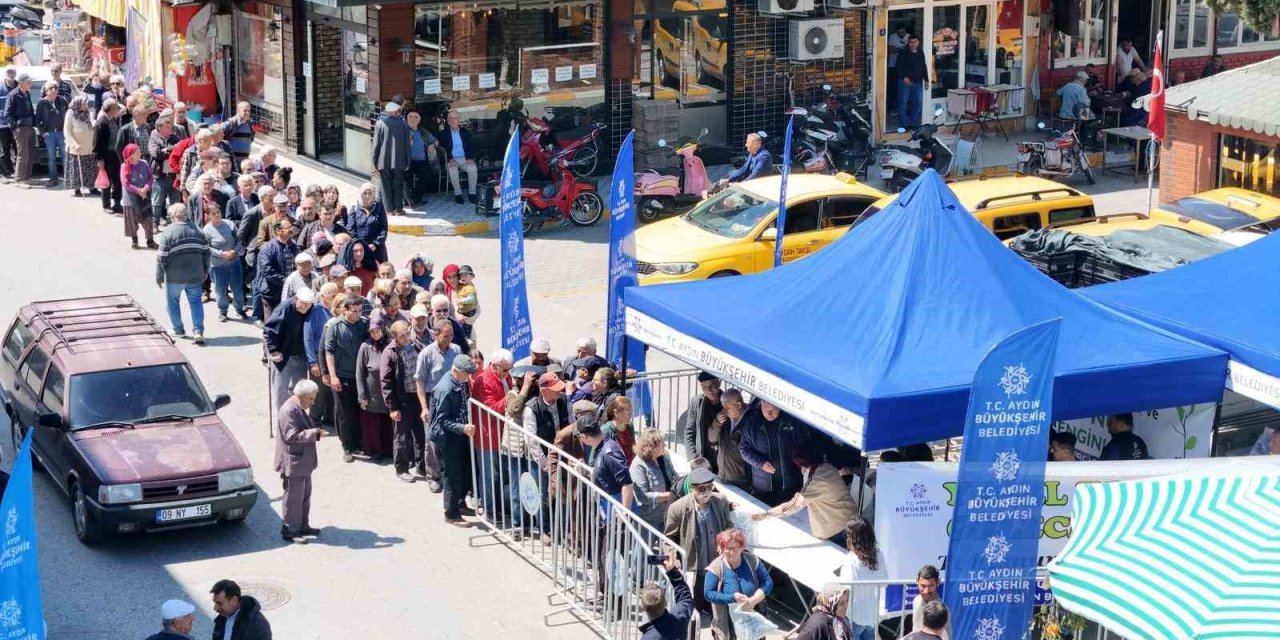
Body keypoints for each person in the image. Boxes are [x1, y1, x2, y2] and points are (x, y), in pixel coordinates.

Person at [753, 442, 856, 545]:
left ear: (801, 465)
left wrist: (768, 513)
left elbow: (795, 504)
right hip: (851, 519)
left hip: (836, 530)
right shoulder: (828, 467)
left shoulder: (816, 481)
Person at [665, 467, 733, 616]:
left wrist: (728, 542)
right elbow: (668, 539)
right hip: (694, 567)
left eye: (710, 487)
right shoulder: (677, 508)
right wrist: (673, 557)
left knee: (716, 607)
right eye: (702, 489)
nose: (707, 492)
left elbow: (728, 526)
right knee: (695, 609)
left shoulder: (721, 501)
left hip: (716, 566)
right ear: (692, 488)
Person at [274, 378, 327, 543]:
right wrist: (315, 433)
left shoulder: (298, 408)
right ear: (301, 395)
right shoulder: (289, 410)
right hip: (294, 463)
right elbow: (291, 437)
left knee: (304, 496)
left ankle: (303, 526)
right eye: (310, 398)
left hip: (302, 463)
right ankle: (290, 530)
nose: (312, 403)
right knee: (293, 499)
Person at [429, 353, 478, 526]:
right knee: (453, 474)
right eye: (466, 373)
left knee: (465, 470)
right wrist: (462, 427)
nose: (469, 376)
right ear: (456, 371)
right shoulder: (446, 388)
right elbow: (442, 420)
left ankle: (460, 503)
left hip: (460, 434)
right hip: (448, 437)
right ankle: (451, 513)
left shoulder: (460, 382)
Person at [415, 316, 464, 490]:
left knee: (452, 437)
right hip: (434, 399)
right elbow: (420, 381)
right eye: (446, 335)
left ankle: (449, 471)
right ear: (436, 334)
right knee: (433, 439)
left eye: (451, 335)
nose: (450, 339)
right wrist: (424, 407)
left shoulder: (456, 350)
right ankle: (433, 475)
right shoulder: (426, 354)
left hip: (453, 398)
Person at [704, 527, 773, 639]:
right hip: (728, 623)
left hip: (753, 620)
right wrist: (732, 598)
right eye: (727, 548)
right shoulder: (715, 568)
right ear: (722, 548)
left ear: (742, 547)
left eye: (735, 548)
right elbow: (708, 593)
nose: (731, 552)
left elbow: (767, 582)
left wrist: (753, 600)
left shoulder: (752, 560)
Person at [155, 203, 210, 342]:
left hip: (174, 277)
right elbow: (206, 252)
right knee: (196, 302)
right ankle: (198, 331)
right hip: (195, 275)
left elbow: (161, 257)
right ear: (186, 215)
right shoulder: (198, 231)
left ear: (172, 216)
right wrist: (205, 270)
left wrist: (159, 276)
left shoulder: (167, 233)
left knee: (173, 303)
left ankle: (178, 330)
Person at [325, 295, 370, 463]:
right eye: (354, 311)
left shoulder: (363, 323)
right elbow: (329, 352)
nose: (358, 314)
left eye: (360, 311)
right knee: (345, 414)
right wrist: (332, 376)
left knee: (360, 411)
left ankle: (358, 443)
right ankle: (347, 447)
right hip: (342, 376)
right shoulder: (335, 326)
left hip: (360, 376)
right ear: (345, 310)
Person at [469, 347, 514, 516]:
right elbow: (491, 409)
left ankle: (501, 507)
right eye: (505, 370)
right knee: (490, 475)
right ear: (495, 366)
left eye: (509, 369)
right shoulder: (483, 380)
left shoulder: (504, 375)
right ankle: (489, 510)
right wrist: (510, 398)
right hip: (488, 436)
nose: (508, 373)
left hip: (502, 433)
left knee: (502, 474)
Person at [383, 320, 427, 483]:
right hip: (402, 400)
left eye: (407, 333)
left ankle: (422, 466)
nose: (407, 337)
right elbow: (386, 382)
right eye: (402, 336)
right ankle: (401, 468)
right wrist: (392, 408)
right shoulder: (390, 353)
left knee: (420, 434)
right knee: (401, 436)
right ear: (394, 337)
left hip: (418, 397)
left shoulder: (416, 345)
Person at [738, 399, 804, 505]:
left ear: (780, 408)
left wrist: (799, 462)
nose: (769, 413)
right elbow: (743, 449)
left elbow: (803, 445)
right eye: (766, 410)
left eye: (773, 410)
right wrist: (760, 463)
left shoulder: (791, 421)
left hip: (789, 485)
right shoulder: (752, 423)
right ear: (761, 404)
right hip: (763, 486)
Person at [265, 289, 318, 410]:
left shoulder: (311, 309)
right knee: (281, 388)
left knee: (300, 389)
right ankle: (283, 416)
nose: (305, 307)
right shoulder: (284, 309)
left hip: (300, 354)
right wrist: (273, 351)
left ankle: (298, 414)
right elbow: (269, 331)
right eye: (303, 303)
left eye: (308, 304)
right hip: (283, 354)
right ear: (296, 299)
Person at [839, 516, 887, 640]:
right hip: (871, 614)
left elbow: (846, 587)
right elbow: (884, 582)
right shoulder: (879, 554)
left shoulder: (851, 559)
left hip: (854, 615)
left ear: (852, 538)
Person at [356, 314, 394, 463]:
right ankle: (375, 451)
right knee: (373, 424)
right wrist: (362, 395)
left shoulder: (390, 344)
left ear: (383, 329)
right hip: (372, 393)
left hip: (388, 391)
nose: (375, 334)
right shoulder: (365, 347)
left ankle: (389, 450)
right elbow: (360, 372)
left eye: (377, 330)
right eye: (372, 331)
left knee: (388, 423)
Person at [203, 201, 247, 322]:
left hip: (234, 262)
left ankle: (239, 309)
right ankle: (223, 311)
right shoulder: (206, 230)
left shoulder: (229, 224)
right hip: (217, 266)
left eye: (218, 212)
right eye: (213, 213)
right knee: (220, 290)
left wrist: (234, 251)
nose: (217, 215)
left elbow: (239, 240)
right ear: (208, 215)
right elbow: (206, 248)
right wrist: (222, 254)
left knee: (237, 288)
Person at [631, 428, 678, 532]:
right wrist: (670, 495)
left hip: (667, 514)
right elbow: (643, 497)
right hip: (648, 519)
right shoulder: (638, 465)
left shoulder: (664, 456)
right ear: (652, 447)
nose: (665, 446)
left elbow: (674, 476)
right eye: (662, 444)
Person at [639, 554, 695, 640]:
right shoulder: (679, 616)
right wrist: (672, 572)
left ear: (642, 608)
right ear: (665, 603)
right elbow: (686, 598)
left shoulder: (648, 637)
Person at [256, 217, 299, 321]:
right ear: (279, 231)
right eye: (287, 228)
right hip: (272, 292)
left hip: (289, 291)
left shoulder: (293, 246)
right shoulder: (268, 248)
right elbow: (267, 271)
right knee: (272, 321)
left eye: (291, 227)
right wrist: (286, 281)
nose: (291, 230)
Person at [372, 101, 411, 215]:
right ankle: (398, 209)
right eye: (399, 111)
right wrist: (408, 161)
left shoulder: (380, 124)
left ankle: (389, 210)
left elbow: (376, 145)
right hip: (399, 160)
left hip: (383, 160)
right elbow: (407, 145)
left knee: (385, 185)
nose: (400, 113)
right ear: (396, 111)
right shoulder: (404, 125)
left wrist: (374, 161)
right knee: (398, 184)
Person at [681, 372, 726, 470]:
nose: (709, 391)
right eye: (704, 387)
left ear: (719, 383)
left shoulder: (727, 402)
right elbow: (690, 430)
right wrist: (692, 458)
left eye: (712, 386)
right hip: (703, 455)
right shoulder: (696, 402)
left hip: (723, 458)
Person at [121, 143, 157, 249]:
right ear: (131, 154)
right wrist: (138, 190)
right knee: (132, 221)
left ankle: (150, 241)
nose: (140, 153)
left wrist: (146, 188)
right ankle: (134, 240)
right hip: (131, 199)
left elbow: (150, 177)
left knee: (148, 220)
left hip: (144, 196)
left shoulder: (144, 163)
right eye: (137, 152)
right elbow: (126, 183)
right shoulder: (124, 166)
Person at [715, 389, 753, 490]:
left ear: (738, 405)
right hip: (723, 475)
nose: (724, 411)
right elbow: (711, 438)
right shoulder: (725, 419)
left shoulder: (751, 420)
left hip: (741, 480)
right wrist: (717, 422)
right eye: (723, 408)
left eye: (727, 408)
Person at [148, 117, 183, 225]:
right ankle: (155, 224)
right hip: (160, 176)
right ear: (160, 128)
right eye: (167, 126)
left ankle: (176, 224)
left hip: (174, 176)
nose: (170, 128)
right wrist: (171, 149)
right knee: (157, 202)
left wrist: (166, 150)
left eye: (170, 126)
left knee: (175, 202)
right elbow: (157, 154)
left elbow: (180, 151)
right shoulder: (153, 139)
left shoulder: (175, 138)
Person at [438, 111, 478, 204]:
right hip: (450, 159)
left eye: (455, 118)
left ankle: (472, 193)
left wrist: (470, 157)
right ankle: (458, 194)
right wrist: (449, 159)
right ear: (448, 121)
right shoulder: (443, 134)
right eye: (451, 118)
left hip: (464, 158)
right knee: (453, 169)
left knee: (473, 168)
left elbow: (471, 146)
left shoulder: (465, 132)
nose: (453, 120)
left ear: (458, 120)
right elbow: (441, 149)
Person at [62, 95, 97, 197]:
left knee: (90, 169)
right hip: (76, 148)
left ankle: (92, 187)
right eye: (84, 103)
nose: (86, 105)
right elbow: (67, 131)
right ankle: (77, 189)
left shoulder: (88, 112)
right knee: (77, 170)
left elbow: (91, 125)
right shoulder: (70, 113)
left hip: (88, 147)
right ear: (78, 104)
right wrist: (73, 144)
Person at [5, 73, 35, 186]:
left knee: (31, 153)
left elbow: (30, 109)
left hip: (30, 127)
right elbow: (7, 113)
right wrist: (15, 126)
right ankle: (19, 179)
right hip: (20, 129)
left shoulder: (27, 93)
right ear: (21, 83)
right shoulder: (13, 95)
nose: (30, 83)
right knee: (23, 154)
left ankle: (27, 177)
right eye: (28, 82)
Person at [94, 99, 124, 213]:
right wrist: (99, 159)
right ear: (111, 110)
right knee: (107, 181)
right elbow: (96, 143)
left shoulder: (114, 120)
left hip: (116, 154)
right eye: (116, 108)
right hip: (106, 155)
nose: (117, 110)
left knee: (117, 179)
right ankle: (106, 205)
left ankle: (117, 202)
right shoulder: (101, 123)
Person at [348, 182, 389, 264]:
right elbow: (350, 229)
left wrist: (375, 243)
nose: (367, 196)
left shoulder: (379, 207)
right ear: (361, 193)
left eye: (370, 193)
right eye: (365, 193)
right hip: (361, 249)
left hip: (378, 248)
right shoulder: (355, 209)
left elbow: (384, 227)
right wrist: (362, 244)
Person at [35, 83, 67, 187]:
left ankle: (68, 179)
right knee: (51, 158)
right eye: (51, 88)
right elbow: (37, 120)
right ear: (46, 90)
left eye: (55, 88)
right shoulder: (42, 103)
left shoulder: (62, 101)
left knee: (65, 156)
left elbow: (68, 115)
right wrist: (42, 132)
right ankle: (53, 179)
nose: (53, 90)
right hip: (49, 134)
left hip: (62, 133)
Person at [405, 110, 438, 206]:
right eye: (410, 117)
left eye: (416, 117)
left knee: (426, 176)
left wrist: (433, 145)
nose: (413, 119)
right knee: (406, 180)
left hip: (421, 160)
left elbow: (435, 140)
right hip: (406, 161)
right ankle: (412, 202)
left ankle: (414, 198)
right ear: (406, 119)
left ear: (419, 119)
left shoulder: (423, 131)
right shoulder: (402, 130)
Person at [895, 35, 928, 128]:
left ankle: (913, 122)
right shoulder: (903, 53)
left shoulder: (920, 53)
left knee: (918, 103)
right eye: (911, 42)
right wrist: (904, 77)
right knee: (903, 103)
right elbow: (898, 67)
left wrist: (926, 80)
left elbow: (923, 66)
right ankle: (903, 124)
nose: (913, 44)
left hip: (917, 82)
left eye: (915, 42)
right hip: (904, 83)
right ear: (908, 43)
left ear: (918, 42)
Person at [911, 565, 950, 640]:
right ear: (917, 581)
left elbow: (948, 636)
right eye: (923, 586)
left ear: (938, 582)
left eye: (931, 586)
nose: (926, 591)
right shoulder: (916, 601)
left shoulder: (942, 611)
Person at [602, 395, 636, 463]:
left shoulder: (630, 426)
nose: (630, 414)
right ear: (616, 412)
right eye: (627, 411)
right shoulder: (605, 430)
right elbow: (597, 457)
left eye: (631, 411)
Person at [453, 264, 480, 337]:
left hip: (469, 311)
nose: (463, 277)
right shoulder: (462, 286)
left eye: (465, 275)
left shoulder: (470, 287)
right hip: (463, 311)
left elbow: (471, 299)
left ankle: (467, 337)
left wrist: (461, 300)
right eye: (461, 275)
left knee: (467, 326)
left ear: (472, 276)